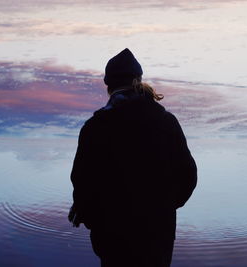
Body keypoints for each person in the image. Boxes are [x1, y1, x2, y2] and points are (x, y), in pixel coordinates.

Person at [69, 48, 197, 267]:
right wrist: (165, 207)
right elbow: (188, 176)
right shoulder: (166, 122)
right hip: (157, 234)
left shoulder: (95, 127)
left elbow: (82, 182)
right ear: (138, 80)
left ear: (108, 86)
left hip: (111, 236)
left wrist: (93, 220)